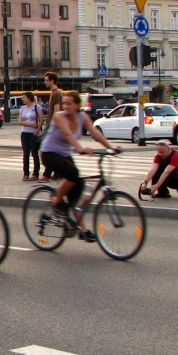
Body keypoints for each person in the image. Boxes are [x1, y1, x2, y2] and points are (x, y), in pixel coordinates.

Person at [39, 91, 121, 242]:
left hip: (64, 154)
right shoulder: (59, 116)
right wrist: (80, 148)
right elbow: (69, 135)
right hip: (49, 153)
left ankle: (83, 230)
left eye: (69, 103)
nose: (66, 106)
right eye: (65, 103)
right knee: (73, 173)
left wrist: (111, 148)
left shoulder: (82, 117)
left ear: (78, 105)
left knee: (78, 188)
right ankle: (56, 202)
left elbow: (95, 134)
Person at [40, 72, 63, 181]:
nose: (45, 82)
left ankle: (47, 175)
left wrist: (52, 125)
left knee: (48, 150)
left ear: (52, 81)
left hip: (54, 125)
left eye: (46, 80)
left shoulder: (57, 93)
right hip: (52, 124)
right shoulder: (53, 93)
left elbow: (57, 110)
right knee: (54, 150)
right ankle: (57, 172)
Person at [19, 92, 44, 181]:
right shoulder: (23, 108)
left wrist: (38, 129)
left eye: (24, 97)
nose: (22, 99)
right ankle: (26, 173)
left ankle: (35, 174)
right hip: (24, 133)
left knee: (34, 153)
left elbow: (42, 119)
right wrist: (29, 124)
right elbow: (20, 121)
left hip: (33, 134)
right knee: (26, 154)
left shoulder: (37, 107)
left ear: (29, 98)